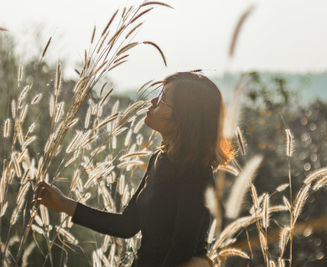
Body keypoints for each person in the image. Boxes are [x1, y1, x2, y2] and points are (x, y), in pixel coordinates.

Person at [33, 72, 236, 267]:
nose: (152, 102)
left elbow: (180, 255)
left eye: (163, 99)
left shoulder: (196, 176)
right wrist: (63, 204)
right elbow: (126, 225)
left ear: (184, 118)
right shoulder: (159, 159)